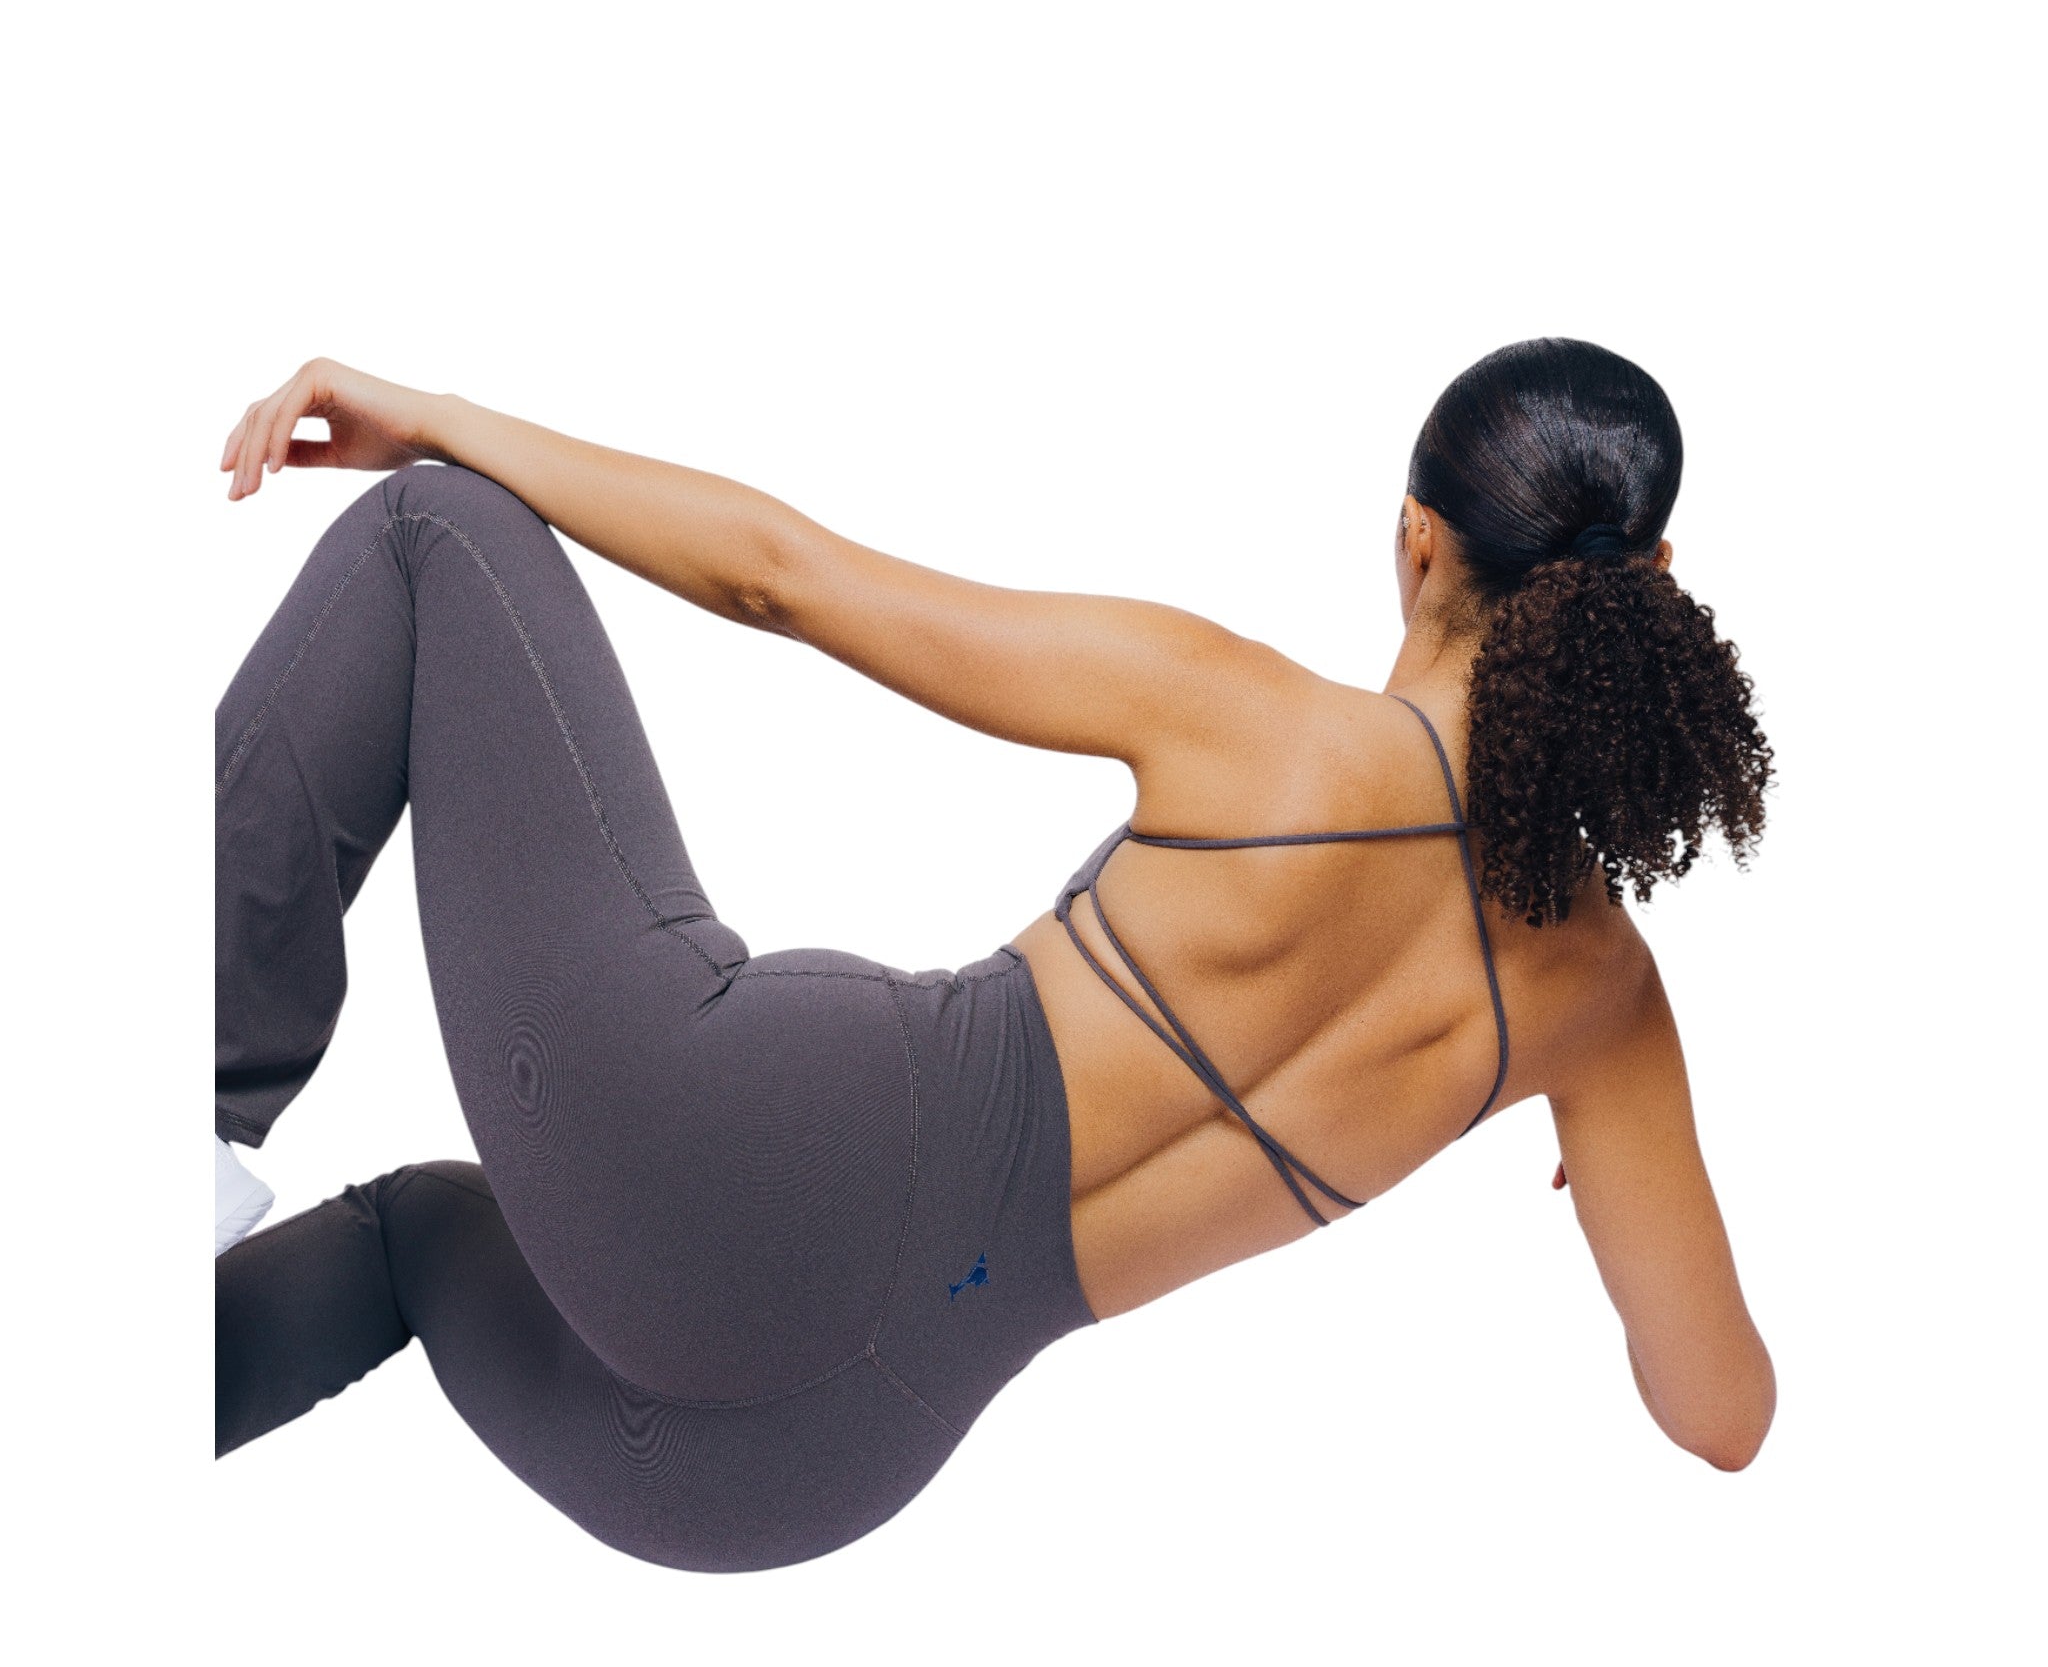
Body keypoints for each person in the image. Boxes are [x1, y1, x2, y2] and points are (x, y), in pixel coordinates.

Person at [214, 338, 1777, 1572]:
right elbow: (1721, 1416)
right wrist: (1596, 1140)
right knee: (409, 1241)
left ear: (1417, 542)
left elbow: (780, 577)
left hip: (728, 1155)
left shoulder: (1262, 728)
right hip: (799, 1466)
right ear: (1653, 587)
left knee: (437, 532)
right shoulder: (1601, 1007)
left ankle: (179, 1126)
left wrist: (436, 415)